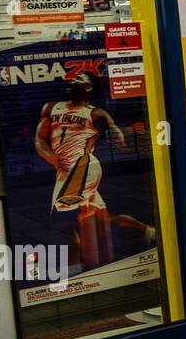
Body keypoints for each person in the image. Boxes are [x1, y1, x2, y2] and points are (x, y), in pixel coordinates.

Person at [36, 72, 154, 271]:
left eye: (80, 79)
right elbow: (39, 139)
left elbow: (116, 135)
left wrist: (129, 137)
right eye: (73, 78)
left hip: (84, 168)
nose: (73, 80)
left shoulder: (96, 113)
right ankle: (148, 231)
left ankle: (74, 272)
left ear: (88, 88)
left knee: (62, 220)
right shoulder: (50, 107)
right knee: (101, 217)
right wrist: (50, 156)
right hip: (65, 172)